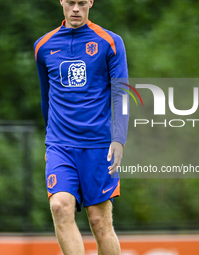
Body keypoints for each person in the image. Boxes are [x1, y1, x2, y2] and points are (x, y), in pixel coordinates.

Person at [34, 0, 129, 254]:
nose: (76, 8)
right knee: (59, 207)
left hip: (98, 147)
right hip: (60, 145)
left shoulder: (110, 42)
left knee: (99, 223)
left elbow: (121, 94)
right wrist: (49, 140)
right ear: (62, 2)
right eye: (71, 2)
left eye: (82, 2)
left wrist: (119, 139)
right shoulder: (43, 46)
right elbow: (46, 97)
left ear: (91, 3)